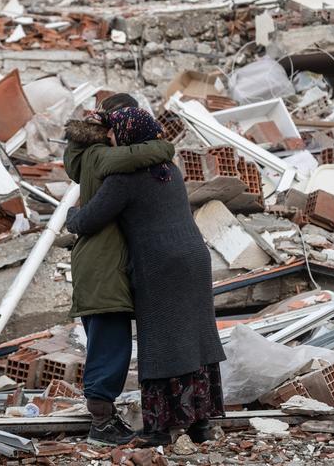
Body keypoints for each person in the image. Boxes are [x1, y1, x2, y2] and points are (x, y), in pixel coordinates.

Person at [66, 107, 226, 446]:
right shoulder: (171, 169)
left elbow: (88, 221)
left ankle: (157, 430)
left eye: (113, 133)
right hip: (196, 258)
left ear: (126, 136)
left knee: (161, 344)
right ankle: (200, 425)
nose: (109, 138)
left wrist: (71, 214)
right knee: (195, 339)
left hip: (160, 264)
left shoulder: (125, 179)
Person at [63, 95, 176, 446]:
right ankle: (101, 424)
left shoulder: (84, 156)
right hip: (103, 267)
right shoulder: (100, 158)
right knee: (110, 348)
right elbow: (139, 154)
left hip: (101, 265)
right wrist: (164, 147)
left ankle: (103, 419)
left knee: (107, 344)